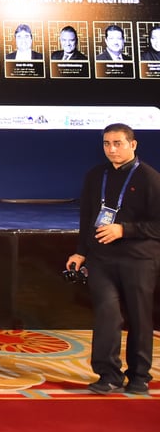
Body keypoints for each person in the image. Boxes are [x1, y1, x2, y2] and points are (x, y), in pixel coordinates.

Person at [65, 123, 160, 396]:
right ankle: (108, 374)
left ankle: (139, 376)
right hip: (102, 259)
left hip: (139, 259)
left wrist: (124, 230)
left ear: (133, 144)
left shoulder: (150, 178)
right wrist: (81, 251)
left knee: (139, 317)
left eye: (118, 143)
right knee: (107, 315)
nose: (112, 149)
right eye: (107, 143)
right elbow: (87, 217)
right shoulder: (97, 175)